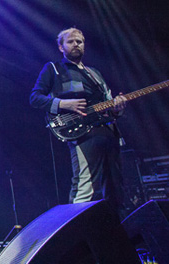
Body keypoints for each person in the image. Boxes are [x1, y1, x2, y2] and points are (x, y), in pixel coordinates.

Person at [29, 28, 127, 215]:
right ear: (61, 46)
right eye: (71, 41)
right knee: (86, 184)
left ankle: (116, 231)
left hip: (108, 131)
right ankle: (77, 231)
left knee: (115, 187)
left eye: (80, 42)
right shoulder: (54, 69)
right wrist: (63, 103)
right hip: (83, 133)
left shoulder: (94, 73)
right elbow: (35, 98)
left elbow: (108, 102)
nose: (76, 44)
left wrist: (117, 109)